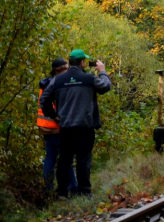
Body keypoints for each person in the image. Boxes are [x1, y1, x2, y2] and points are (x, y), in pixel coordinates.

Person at [40, 49, 111, 198]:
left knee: (65, 160)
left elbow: (44, 99)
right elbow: (105, 86)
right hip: (85, 127)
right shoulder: (89, 78)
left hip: (65, 127)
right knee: (83, 160)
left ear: (70, 61)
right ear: (82, 62)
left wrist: (54, 115)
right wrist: (102, 71)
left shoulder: (58, 80)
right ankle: (84, 192)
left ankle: (62, 193)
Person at [37, 58, 78, 195]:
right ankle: (72, 187)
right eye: (66, 68)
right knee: (66, 158)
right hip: (58, 127)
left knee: (51, 158)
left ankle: (49, 189)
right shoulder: (57, 84)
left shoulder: (45, 83)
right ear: (59, 70)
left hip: (46, 128)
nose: (68, 70)